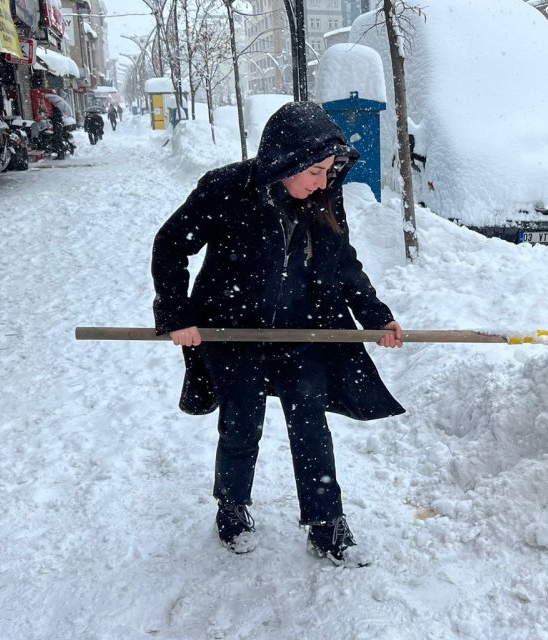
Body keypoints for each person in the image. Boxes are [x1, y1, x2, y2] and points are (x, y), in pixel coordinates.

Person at [151, 101, 405, 567]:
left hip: (302, 332)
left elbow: (342, 263)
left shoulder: (323, 198)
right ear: (286, 160)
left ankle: (326, 523)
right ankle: (231, 506)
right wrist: (176, 313)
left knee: (311, 424)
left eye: (329, 171)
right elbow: (171, 244)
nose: (323, 182)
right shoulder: (226, 188)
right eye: (315, 171)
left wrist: (376, 316)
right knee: (241, 421)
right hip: (233, 333)